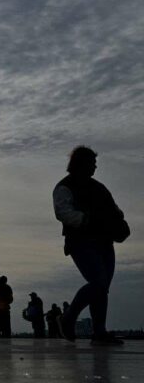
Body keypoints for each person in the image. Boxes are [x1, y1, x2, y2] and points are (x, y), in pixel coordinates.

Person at [53, 146, 128, 345]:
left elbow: (114, 209)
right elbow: (63, 213)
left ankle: (99, 332)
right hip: (80, 242)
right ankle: (68, 317)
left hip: (104, 242)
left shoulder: (99, 188)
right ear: (81, 164)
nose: (95, 167)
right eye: (92, 163)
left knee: (102, 287)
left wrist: (118, 221)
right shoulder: (64, 187)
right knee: (99, 282)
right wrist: (87, 220)